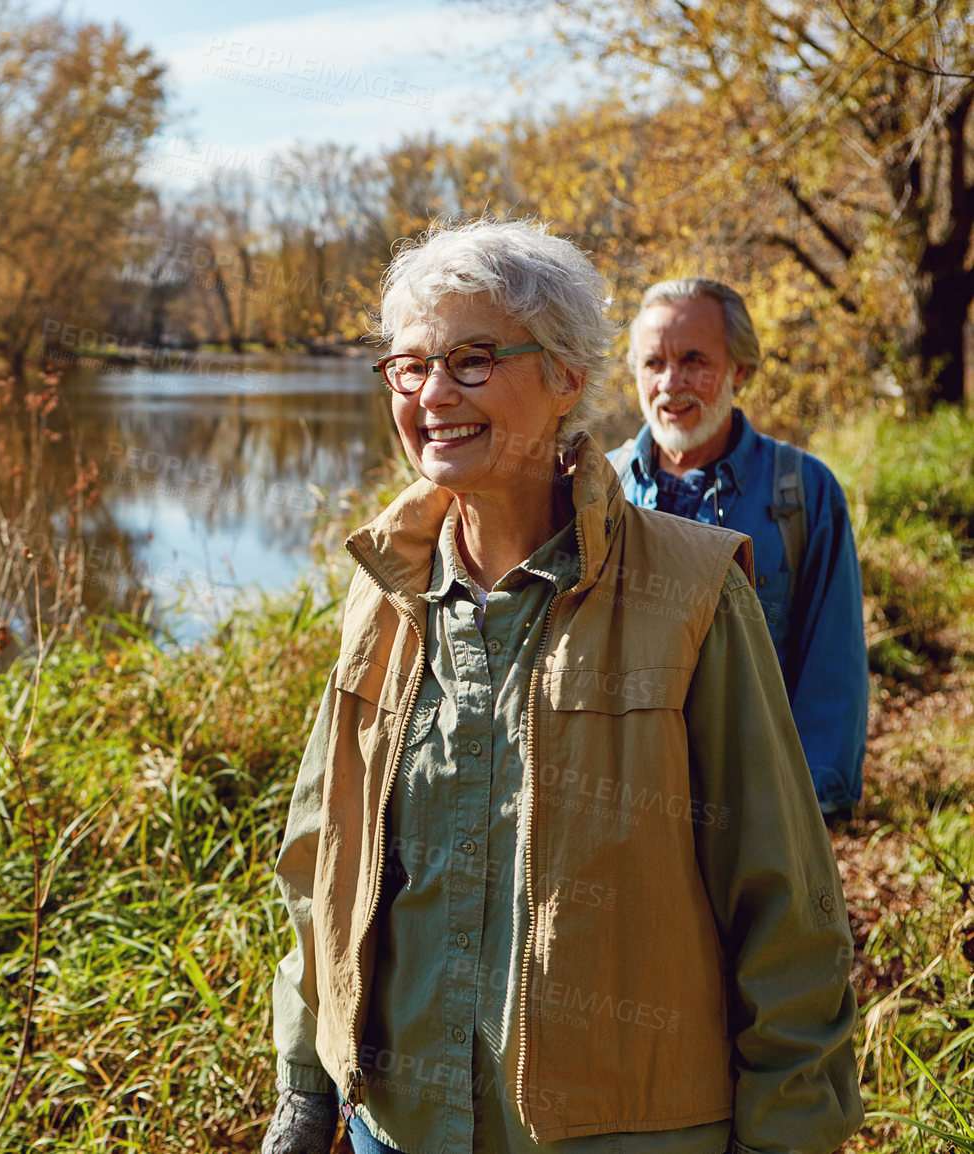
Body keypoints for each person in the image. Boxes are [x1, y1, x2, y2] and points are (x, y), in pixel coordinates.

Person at [261, 220, 861, 1154]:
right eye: (409, 367)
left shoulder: (695, 590)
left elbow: (784, 899)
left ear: (568, 378)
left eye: (469, 359)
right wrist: (306, 1078)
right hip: (400, 1127)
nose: (431, 394)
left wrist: (788, 1131)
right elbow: (322, 856)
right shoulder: (385, 589)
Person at [608, 279, 866, 814]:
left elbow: (833, 665)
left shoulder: (804, 491)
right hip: (625, 814)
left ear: (739, 370)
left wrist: (806, 814)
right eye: (653, 364)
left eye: (694, 360)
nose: (671, 383)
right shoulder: (595, 491)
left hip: (756, 811)